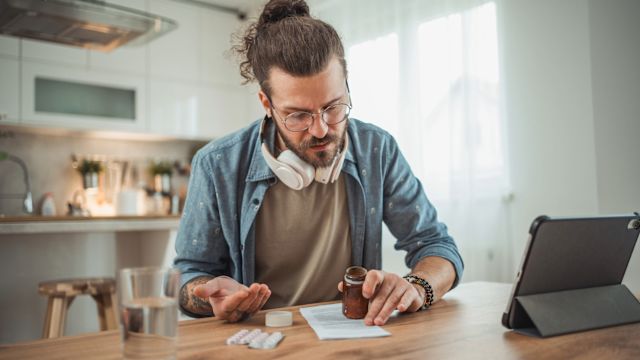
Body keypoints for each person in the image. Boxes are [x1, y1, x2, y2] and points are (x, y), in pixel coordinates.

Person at [174, 0, 463, 326]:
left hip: (355, 336)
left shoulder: (377, 149)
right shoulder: (217, 165)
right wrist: (209, 296)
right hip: (260, 340)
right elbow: (188, 276)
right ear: (267, 104)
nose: (322, 129)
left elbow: (437, 246)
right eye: (298, 115)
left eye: (334, 107)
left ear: (347, 84)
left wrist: (417, 286)